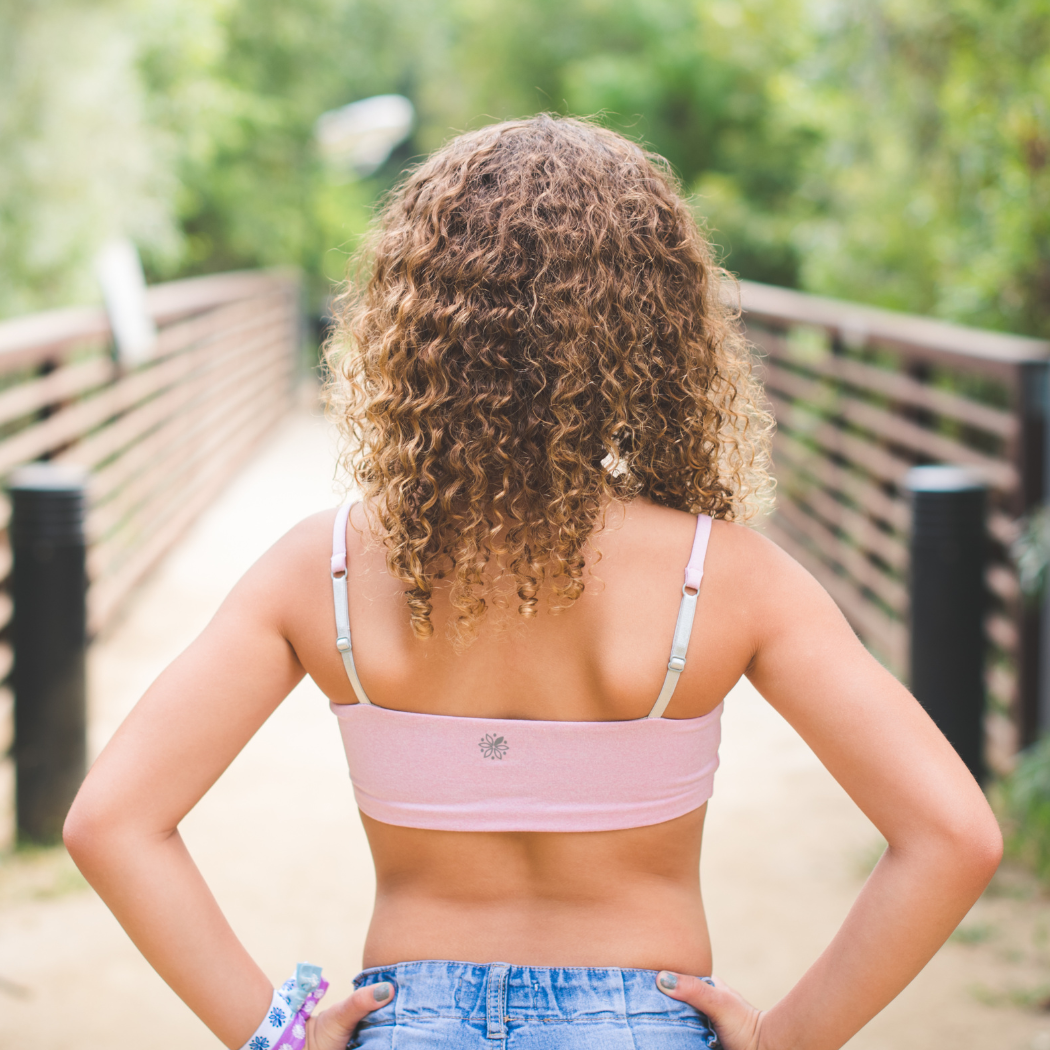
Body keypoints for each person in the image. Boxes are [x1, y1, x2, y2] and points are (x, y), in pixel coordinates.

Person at [64, 115, 1003, 1050]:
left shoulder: (329, 568)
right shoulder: (725, 579)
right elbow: (953, 837)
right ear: (658, 328)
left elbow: (111, 823)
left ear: (420, 325)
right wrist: (788, 1040)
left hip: (411, 1026)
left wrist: (279, 1033)